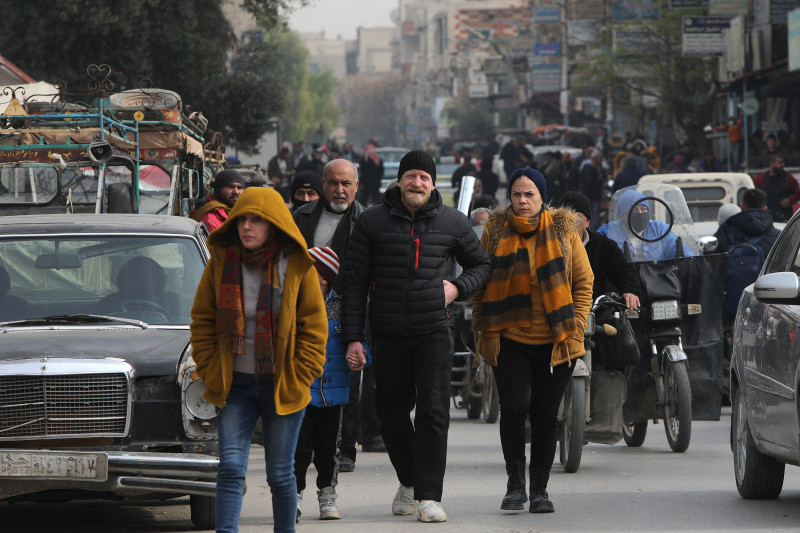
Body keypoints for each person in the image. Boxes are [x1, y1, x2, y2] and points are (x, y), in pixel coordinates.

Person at [341, 149, 490, 523]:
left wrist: (457, 288)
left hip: (434, 329)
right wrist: (353, 337)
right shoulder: (371, 222)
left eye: (424, 177)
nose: (417, 183)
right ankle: (408, 479)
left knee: (434, 412)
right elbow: (355, 283)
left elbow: (482, 264)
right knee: (389, 413)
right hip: (388, 331)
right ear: (399, 180)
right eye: (411, 176)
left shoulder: (454, 222)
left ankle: (428, 495)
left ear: (433, 183)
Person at [189, 187, 328, 533]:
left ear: (273, 225)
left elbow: (314, 327)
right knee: (231, 468)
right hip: (234, 385)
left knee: (281, 474)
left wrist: (298, 375)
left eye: (256, 220)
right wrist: (208, 367)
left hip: (282, 383)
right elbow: (202, 319)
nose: (246, 227)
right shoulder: (222, 263)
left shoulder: (296, 266)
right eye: (241, 219)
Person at [471, 169, 593, 514]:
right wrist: (481, 324)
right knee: (513, 409)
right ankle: (515, 485)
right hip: (508, 337)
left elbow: (584, 283)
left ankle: (540, 489)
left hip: (556, 341)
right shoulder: (494, 230)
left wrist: (577, 324)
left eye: (529, 195)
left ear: (542, 197)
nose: (522, 201)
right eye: (516, 194)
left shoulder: (562, 229)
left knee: (545, 415)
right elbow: (481, 281)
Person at [293, 158, 383, 473]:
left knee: (348, 383)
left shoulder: (369, 222)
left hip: (353, 312)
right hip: (306, 312)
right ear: (324, 185)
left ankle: (344, 449)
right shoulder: (301, 218)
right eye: (333, 183)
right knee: (308, 383)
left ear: (357, 186)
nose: (339, 189)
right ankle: (305, 452)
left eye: (346, 183)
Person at [294, 246, 371, 522]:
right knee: (299, 449)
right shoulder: (295, 303)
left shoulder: (343, 306)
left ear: (324, 277)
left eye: (308, 269)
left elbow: (359, 342)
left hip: (334, 394)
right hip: (301, 393)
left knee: (329, 450)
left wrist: (360, 358)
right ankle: (295, 494)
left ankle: (327, 494)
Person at [557, 192, 640, 309]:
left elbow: (623, 270)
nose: (571, 222)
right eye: (566, 218)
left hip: (595, 312)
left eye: (577, 218)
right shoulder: (548, 246)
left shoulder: (604, 245)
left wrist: (630, 291)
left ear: (587, 222)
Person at [597, 189, 694, 261]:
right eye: (634, 209)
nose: (640, 213)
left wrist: (690, 260)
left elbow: (679, 251)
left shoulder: (659, 229)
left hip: (659, 282)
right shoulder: (607, 233)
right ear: (622, 214)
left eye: (644, 209)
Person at [753, 154, 800, 222]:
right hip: (764, 215)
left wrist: (789, 200)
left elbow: (797, 193)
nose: (783, 164)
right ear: (772, 164)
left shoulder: (788, 178)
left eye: (783, 162)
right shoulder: (759, 179)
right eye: (780, 162)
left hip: (784, 215)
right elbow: (751, 192)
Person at [578, 150, 606, 229]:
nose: (601, 160)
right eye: (600, 158)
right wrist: (599, 180)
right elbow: (590, 183)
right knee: (593, 217)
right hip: (591, 197)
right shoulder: (588, 169)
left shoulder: (597, 168)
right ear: (596, 158)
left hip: (595, 196)